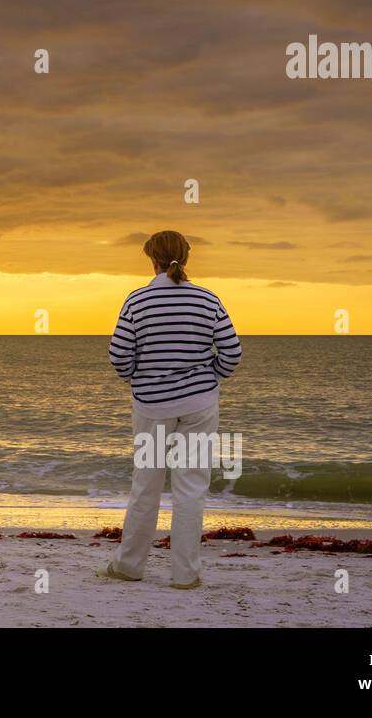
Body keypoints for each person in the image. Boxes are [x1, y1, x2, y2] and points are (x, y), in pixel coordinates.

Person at [99, 230, 241, 588]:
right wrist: (209, 377)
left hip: (151, 407)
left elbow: (118, 356)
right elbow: (232, 353)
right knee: (191, 489)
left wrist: (140, 378)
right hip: (199, 404)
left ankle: (129, 566)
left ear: (152, 259)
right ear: (186, 257)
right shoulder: (208, 299)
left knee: (145, 487)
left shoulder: (137, 301)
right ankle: (185, 574)